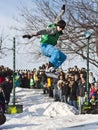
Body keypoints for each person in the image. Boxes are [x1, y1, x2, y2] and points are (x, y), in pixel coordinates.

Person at [23, 5, 67, 73]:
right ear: (58, 26)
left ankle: (53, 69)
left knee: (63, 57)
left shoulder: (57, 23)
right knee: (56, 52)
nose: (60, 29)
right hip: (45, 46)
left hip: (50, 48)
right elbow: (43, 31)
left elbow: (59, 16)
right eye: (60, 27)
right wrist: (31, 34)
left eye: (62, 28)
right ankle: (49, 67)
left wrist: (62, 11)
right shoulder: (53, 30)